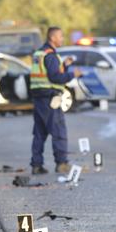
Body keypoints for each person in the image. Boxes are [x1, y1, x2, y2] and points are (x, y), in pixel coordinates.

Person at [29, 27, 81, 174]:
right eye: (60, 36)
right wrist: (72, 74)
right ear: (52, 38)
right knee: (58, 130)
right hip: (50, 98)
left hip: (39, 98)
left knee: (40, 133)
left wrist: (64, 65)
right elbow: (55, 77)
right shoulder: (51, 56)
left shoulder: (39, 53)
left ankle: (36, 165)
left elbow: (47, 73)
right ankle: (61, 163)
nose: (62, 39)